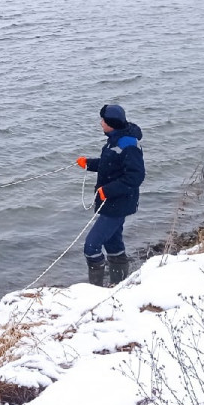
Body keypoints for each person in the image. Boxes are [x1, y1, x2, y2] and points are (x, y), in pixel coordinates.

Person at [76, 104, 145, 287]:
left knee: (91, 247)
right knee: (114, 246)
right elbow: (111, 164)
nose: (100, 123)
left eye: (103, 121)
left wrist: (108, 191)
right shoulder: (114, 139)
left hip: (118, 204)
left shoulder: (128, 144)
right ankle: (118, 286)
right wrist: (88, 164)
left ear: (111, 124)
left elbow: (135, 177)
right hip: (111, 204)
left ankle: (95, 289)